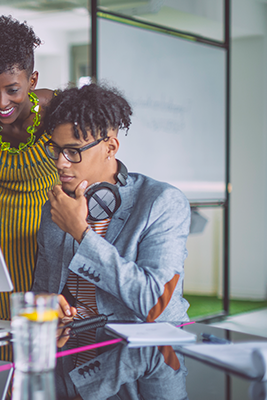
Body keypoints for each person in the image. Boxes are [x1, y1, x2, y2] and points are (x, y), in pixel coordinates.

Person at [32, 83, 191, 326]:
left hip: (147, 356)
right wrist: (47, 306)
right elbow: (41, 294)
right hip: (73, 353)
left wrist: (81, 233)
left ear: (110, 148)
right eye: (56, 150)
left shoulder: (161, 203)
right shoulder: (56, 207)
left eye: (73, 151)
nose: (61, 163)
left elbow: (158, 305)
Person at [0, 15, 60, 321]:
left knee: (40, 338)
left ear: (32, 81)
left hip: (46, 242)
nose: (0, 101)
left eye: (12, 90)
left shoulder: (60, 113)